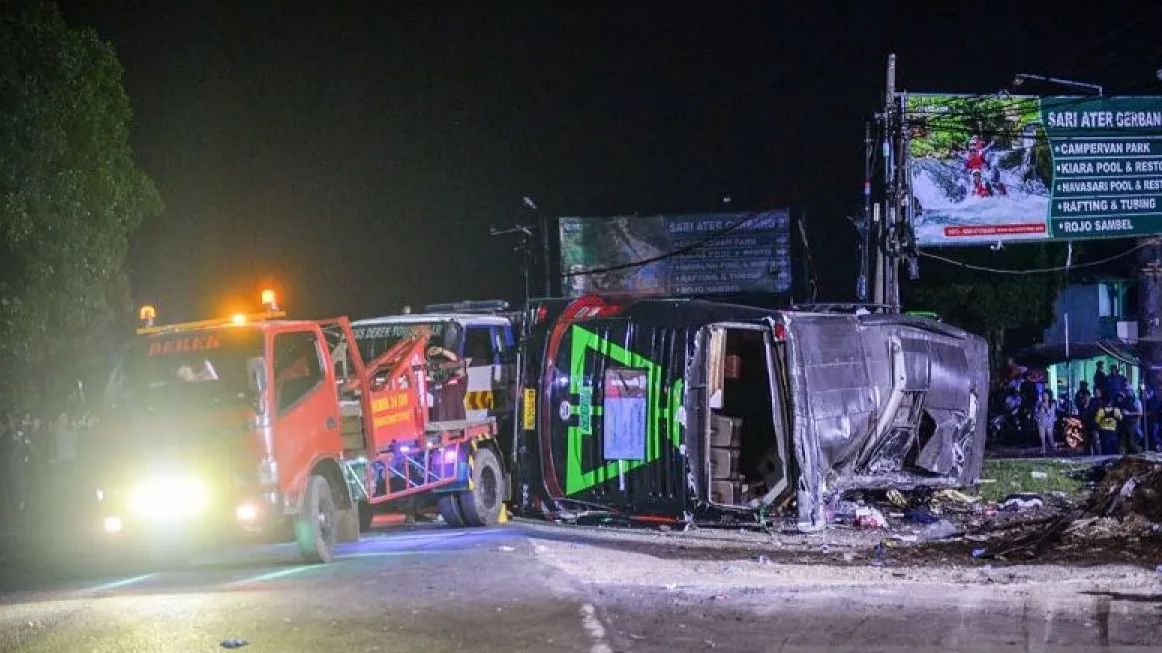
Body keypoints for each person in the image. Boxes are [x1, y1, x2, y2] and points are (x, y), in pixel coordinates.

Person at [1034, 390, 1057, 455]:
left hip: (1049, 423)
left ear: (1049, 396)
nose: (1044, 397)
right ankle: (1043, 450)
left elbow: (1051, 414)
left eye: (1046, 395)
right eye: (1043, 395)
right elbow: (1037, 413)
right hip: (1041, 422)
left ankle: (1054, 448)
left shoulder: (1053, 404)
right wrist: (1037, 418)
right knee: (1042, 437)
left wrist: (1046, 407)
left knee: (1050, 438)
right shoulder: (1039, 403)